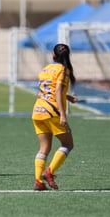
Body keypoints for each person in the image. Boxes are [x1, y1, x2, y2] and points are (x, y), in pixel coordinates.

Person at [31, 43, 78, 191]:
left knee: (44, 148)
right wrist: (63, 115)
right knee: (68, 144)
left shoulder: (45, 69)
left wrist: (67, 96)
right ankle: (49, 172)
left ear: (53, 54)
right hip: (52, 112)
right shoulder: (63, 70)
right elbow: (57, 90)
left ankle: (38, 181)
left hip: (38, 110)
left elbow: (47, 88)